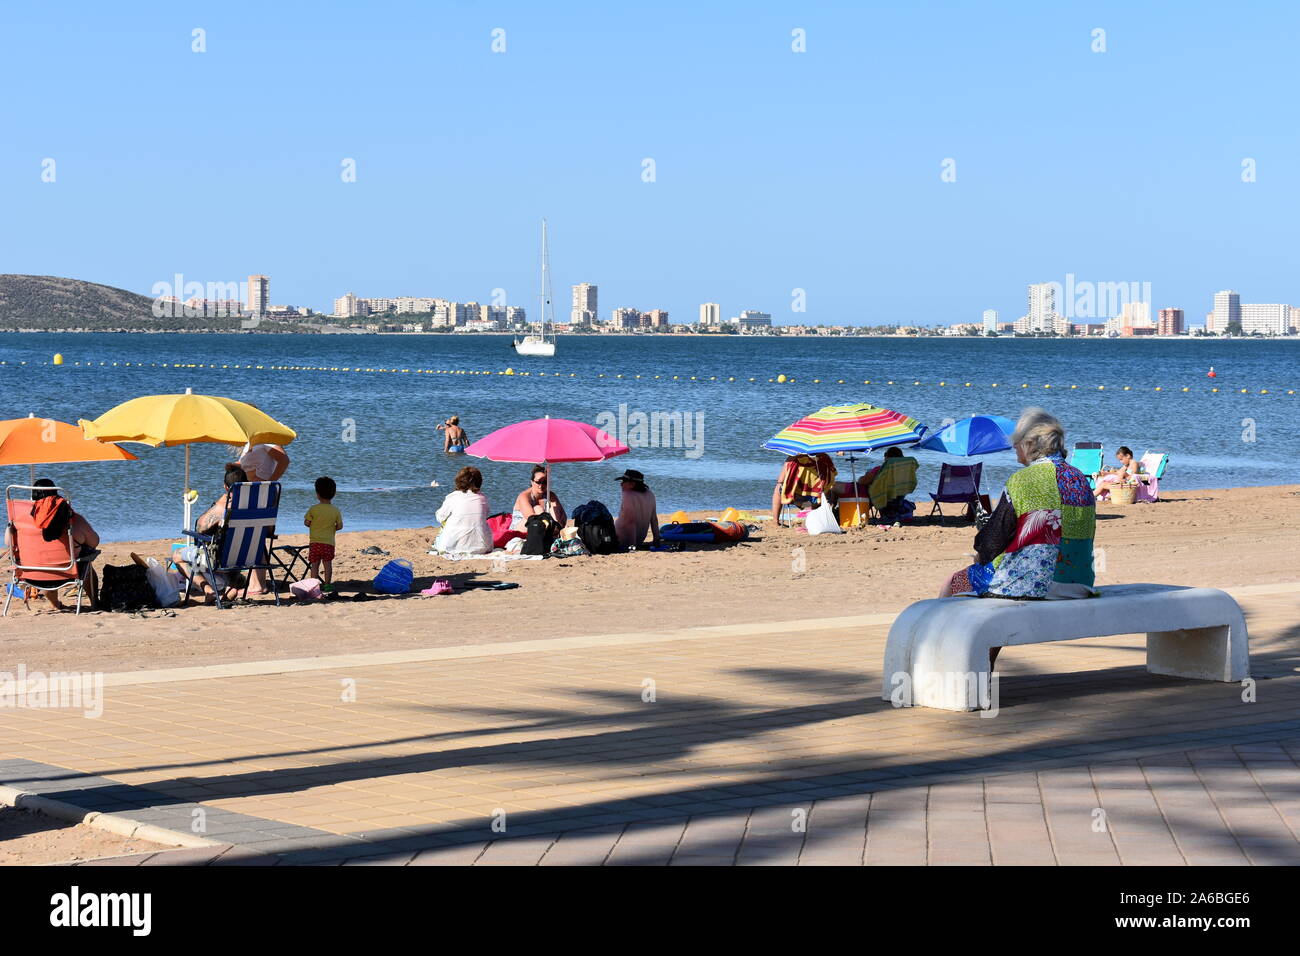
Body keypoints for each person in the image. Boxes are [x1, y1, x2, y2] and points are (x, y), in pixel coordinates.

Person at [939, 408, 1096, 616]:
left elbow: (994, 539)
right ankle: (987, 648)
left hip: (1035, 584)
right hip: (1078, 582)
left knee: (954, 582)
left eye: (1018, 441)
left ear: (1030, 444)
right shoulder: (1080, 478)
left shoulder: (1022, 480)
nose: (1014, 446)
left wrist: (980, 553)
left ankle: (940, 644)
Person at [9, 479, 101, 610]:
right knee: (86, 563)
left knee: (42, 561)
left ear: (33, 496)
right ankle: (94, 603)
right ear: (56, 495)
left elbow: (8, 542)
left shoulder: (20, 520)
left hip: (32, 574)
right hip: (67, 573)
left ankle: (56, 604)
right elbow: (94, 542)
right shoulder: (73, 519)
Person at [173, 464, 249, 603]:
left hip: (221, 560)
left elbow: (201, 527)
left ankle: (208, 590)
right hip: (247, 558)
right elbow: (269, 531)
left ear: (226, 487)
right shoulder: (257, 505)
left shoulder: (224, 505)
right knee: (232, 550)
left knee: (178, 555)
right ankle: (231, 586)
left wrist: (218, 504)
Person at [433, 466, 492, 555]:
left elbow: (440, 517)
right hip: (482, 547)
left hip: (452, 547)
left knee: (442, 530)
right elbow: (486, 515)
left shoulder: (453, 497)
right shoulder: (483, 498)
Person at [771, 453, 837, 525]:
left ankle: (775, 521)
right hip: (819, 500)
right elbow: (832, 478)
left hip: (797, 499)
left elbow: (780, 481)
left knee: (779, 487)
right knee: (832, 490)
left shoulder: (793, 459)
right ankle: (819, 512)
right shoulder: (825, 458)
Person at [304, 476, 343, 591]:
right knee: (327, 564)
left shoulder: (313, 509)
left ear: (317, 494)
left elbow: (307, 523)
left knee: (314, 564)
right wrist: (332, 528)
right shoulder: (335, 510)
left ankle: (314, 586)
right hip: (329, 543)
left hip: (315, 542)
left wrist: (314, 525)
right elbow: (340, 526)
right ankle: (327, 584)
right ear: (334, 493)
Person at [613, 469, 661, 549]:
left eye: (624, 482)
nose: (621, 484)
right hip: (640, 540)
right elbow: (654, 520)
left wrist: (633, 545)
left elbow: (630, 522)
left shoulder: (628, 495)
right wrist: (656, 540)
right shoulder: (650, 494)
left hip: (621, 540)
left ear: (632, 484)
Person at [512, 464, 567, 530]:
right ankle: (551, 530)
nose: (541, 486)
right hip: (521, 527)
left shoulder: (550, 495)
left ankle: (554, 530)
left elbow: (561, 516)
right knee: (538, 509)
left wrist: (558, 523)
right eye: (538, 482)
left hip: (541, 525)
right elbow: (531, 518)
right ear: (532, 482)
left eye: (544, 482)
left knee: (557, 511)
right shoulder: (524, 496)